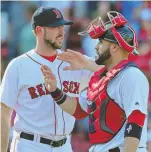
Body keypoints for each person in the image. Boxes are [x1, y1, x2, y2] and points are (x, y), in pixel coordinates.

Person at [41, 11, 149, 152]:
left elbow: (135, 121)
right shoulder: (100, 77)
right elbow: (79, 110)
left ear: (115, 47)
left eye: (101, 43)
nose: (96, 47)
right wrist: (54, 90)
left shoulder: (131, 76)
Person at [0, 6, 97, 152]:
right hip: (30, 144)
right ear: (39, 30)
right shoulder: (18, 66)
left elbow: (115, 72)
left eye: (62, 26)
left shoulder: (75, 61)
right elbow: (4, 113)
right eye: (55, 27)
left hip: (64, 145)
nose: (61, 32)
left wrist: (88, 64)